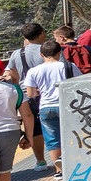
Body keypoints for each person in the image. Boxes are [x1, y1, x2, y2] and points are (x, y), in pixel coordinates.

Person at [25, 36, 72, 173]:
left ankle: (59, 170)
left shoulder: (33, 71)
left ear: (41, 54)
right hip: (67, 106)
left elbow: (31, 94)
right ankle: (74, 165)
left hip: (46, 107)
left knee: (52, 140)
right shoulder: (69, 66)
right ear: (59, 53)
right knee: (71, 135)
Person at [6, 24, 46, 168]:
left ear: (25, 37)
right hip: (47, 94)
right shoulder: (47, 50)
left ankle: (41, 161)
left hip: (26, 96)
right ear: (42, 34)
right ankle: (60, 160)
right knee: (55, 126)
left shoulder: (17, 53)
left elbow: (10, 72)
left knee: (35, 129)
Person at [0, 61, 21, 181]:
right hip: (10, 132)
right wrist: (29, 137)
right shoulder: (13, 89)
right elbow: (27, 115)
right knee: (4, 171)